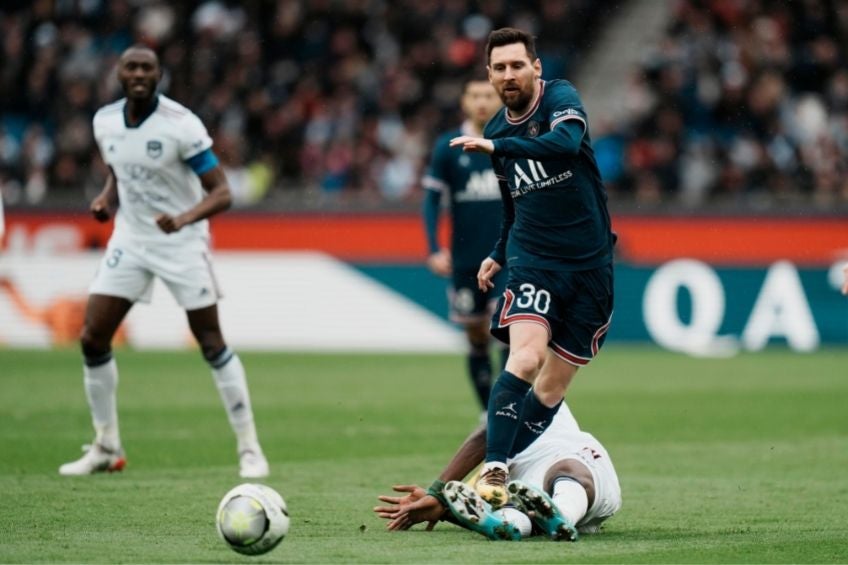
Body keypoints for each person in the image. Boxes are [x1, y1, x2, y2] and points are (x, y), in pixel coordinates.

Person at [58, 45, 268, 478]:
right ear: (118, 73)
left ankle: (250, 448)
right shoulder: (105, 121)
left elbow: (222, 191)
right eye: (131, 67)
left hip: (182, 242)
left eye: (146, 68)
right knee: (93, 337)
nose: (138, 74)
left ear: (159, 76)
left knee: (210, 342)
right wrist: (105, 197)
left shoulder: (181, 126)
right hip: (131, 239)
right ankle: (106, 446)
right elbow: (120, 168)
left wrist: (184, 218)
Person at [448, 27, 616, 505]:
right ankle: (495, 472)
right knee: (525, 358)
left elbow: (564, 146)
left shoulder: (560, 100)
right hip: (533, 262)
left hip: (590, 268)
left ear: (535, 67)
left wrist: (498, 148)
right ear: (489, 75)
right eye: (499, 68)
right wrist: (498, 252)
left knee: (549, 389)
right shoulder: (496, 131)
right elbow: (513, 203)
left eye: (517, 65)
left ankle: (492, 468)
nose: (509, 75)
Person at [373, 400, 621, 541]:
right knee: (513, 509)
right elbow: (475, 507)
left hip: (576, 460)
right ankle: (519, 527)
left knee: (567, 469)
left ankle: (562, 518)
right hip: (535, 490)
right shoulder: (491, 472)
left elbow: (484, 436)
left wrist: (437, 492)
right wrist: (443, 510)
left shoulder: (533, 390)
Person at [422, 78, 506, 411]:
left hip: (507, 257)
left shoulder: (512, 142)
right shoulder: (448, 146)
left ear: (499, 101)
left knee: (509, 328)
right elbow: (431, 201)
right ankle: (488, 413)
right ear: (464, 102)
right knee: (476, 336)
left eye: (489, 95)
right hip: (466, 260)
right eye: (475, 96)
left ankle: (508, 409)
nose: (482, 102)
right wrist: (433, 247)